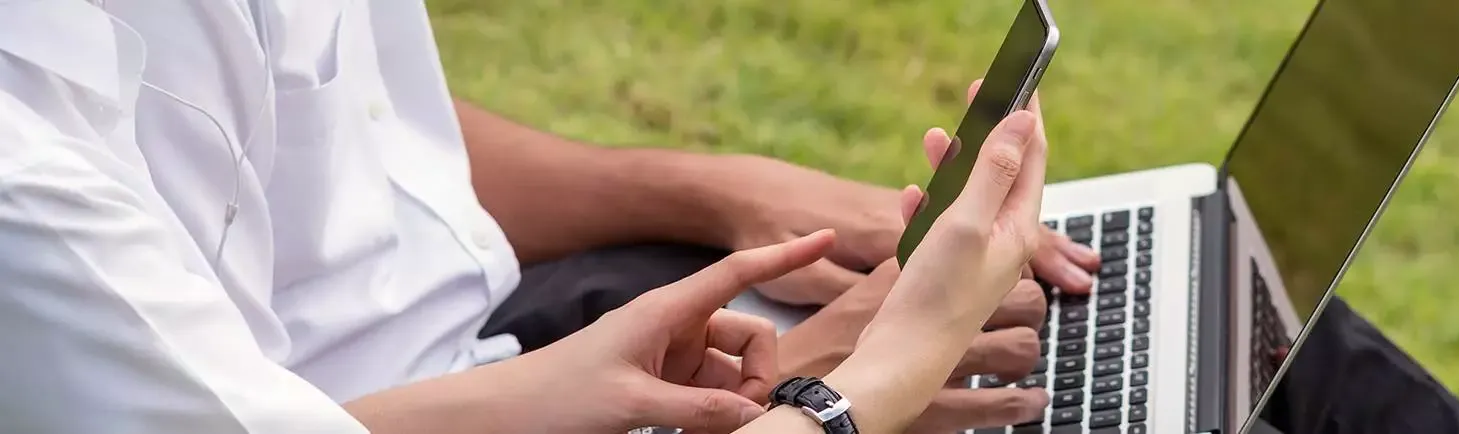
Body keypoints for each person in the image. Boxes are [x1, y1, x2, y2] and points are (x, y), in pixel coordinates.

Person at [0, 2, 1094, 433]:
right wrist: (858, 380)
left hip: (504, 343)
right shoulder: (29, 204)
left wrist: (714, 194)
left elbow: (366, 128)